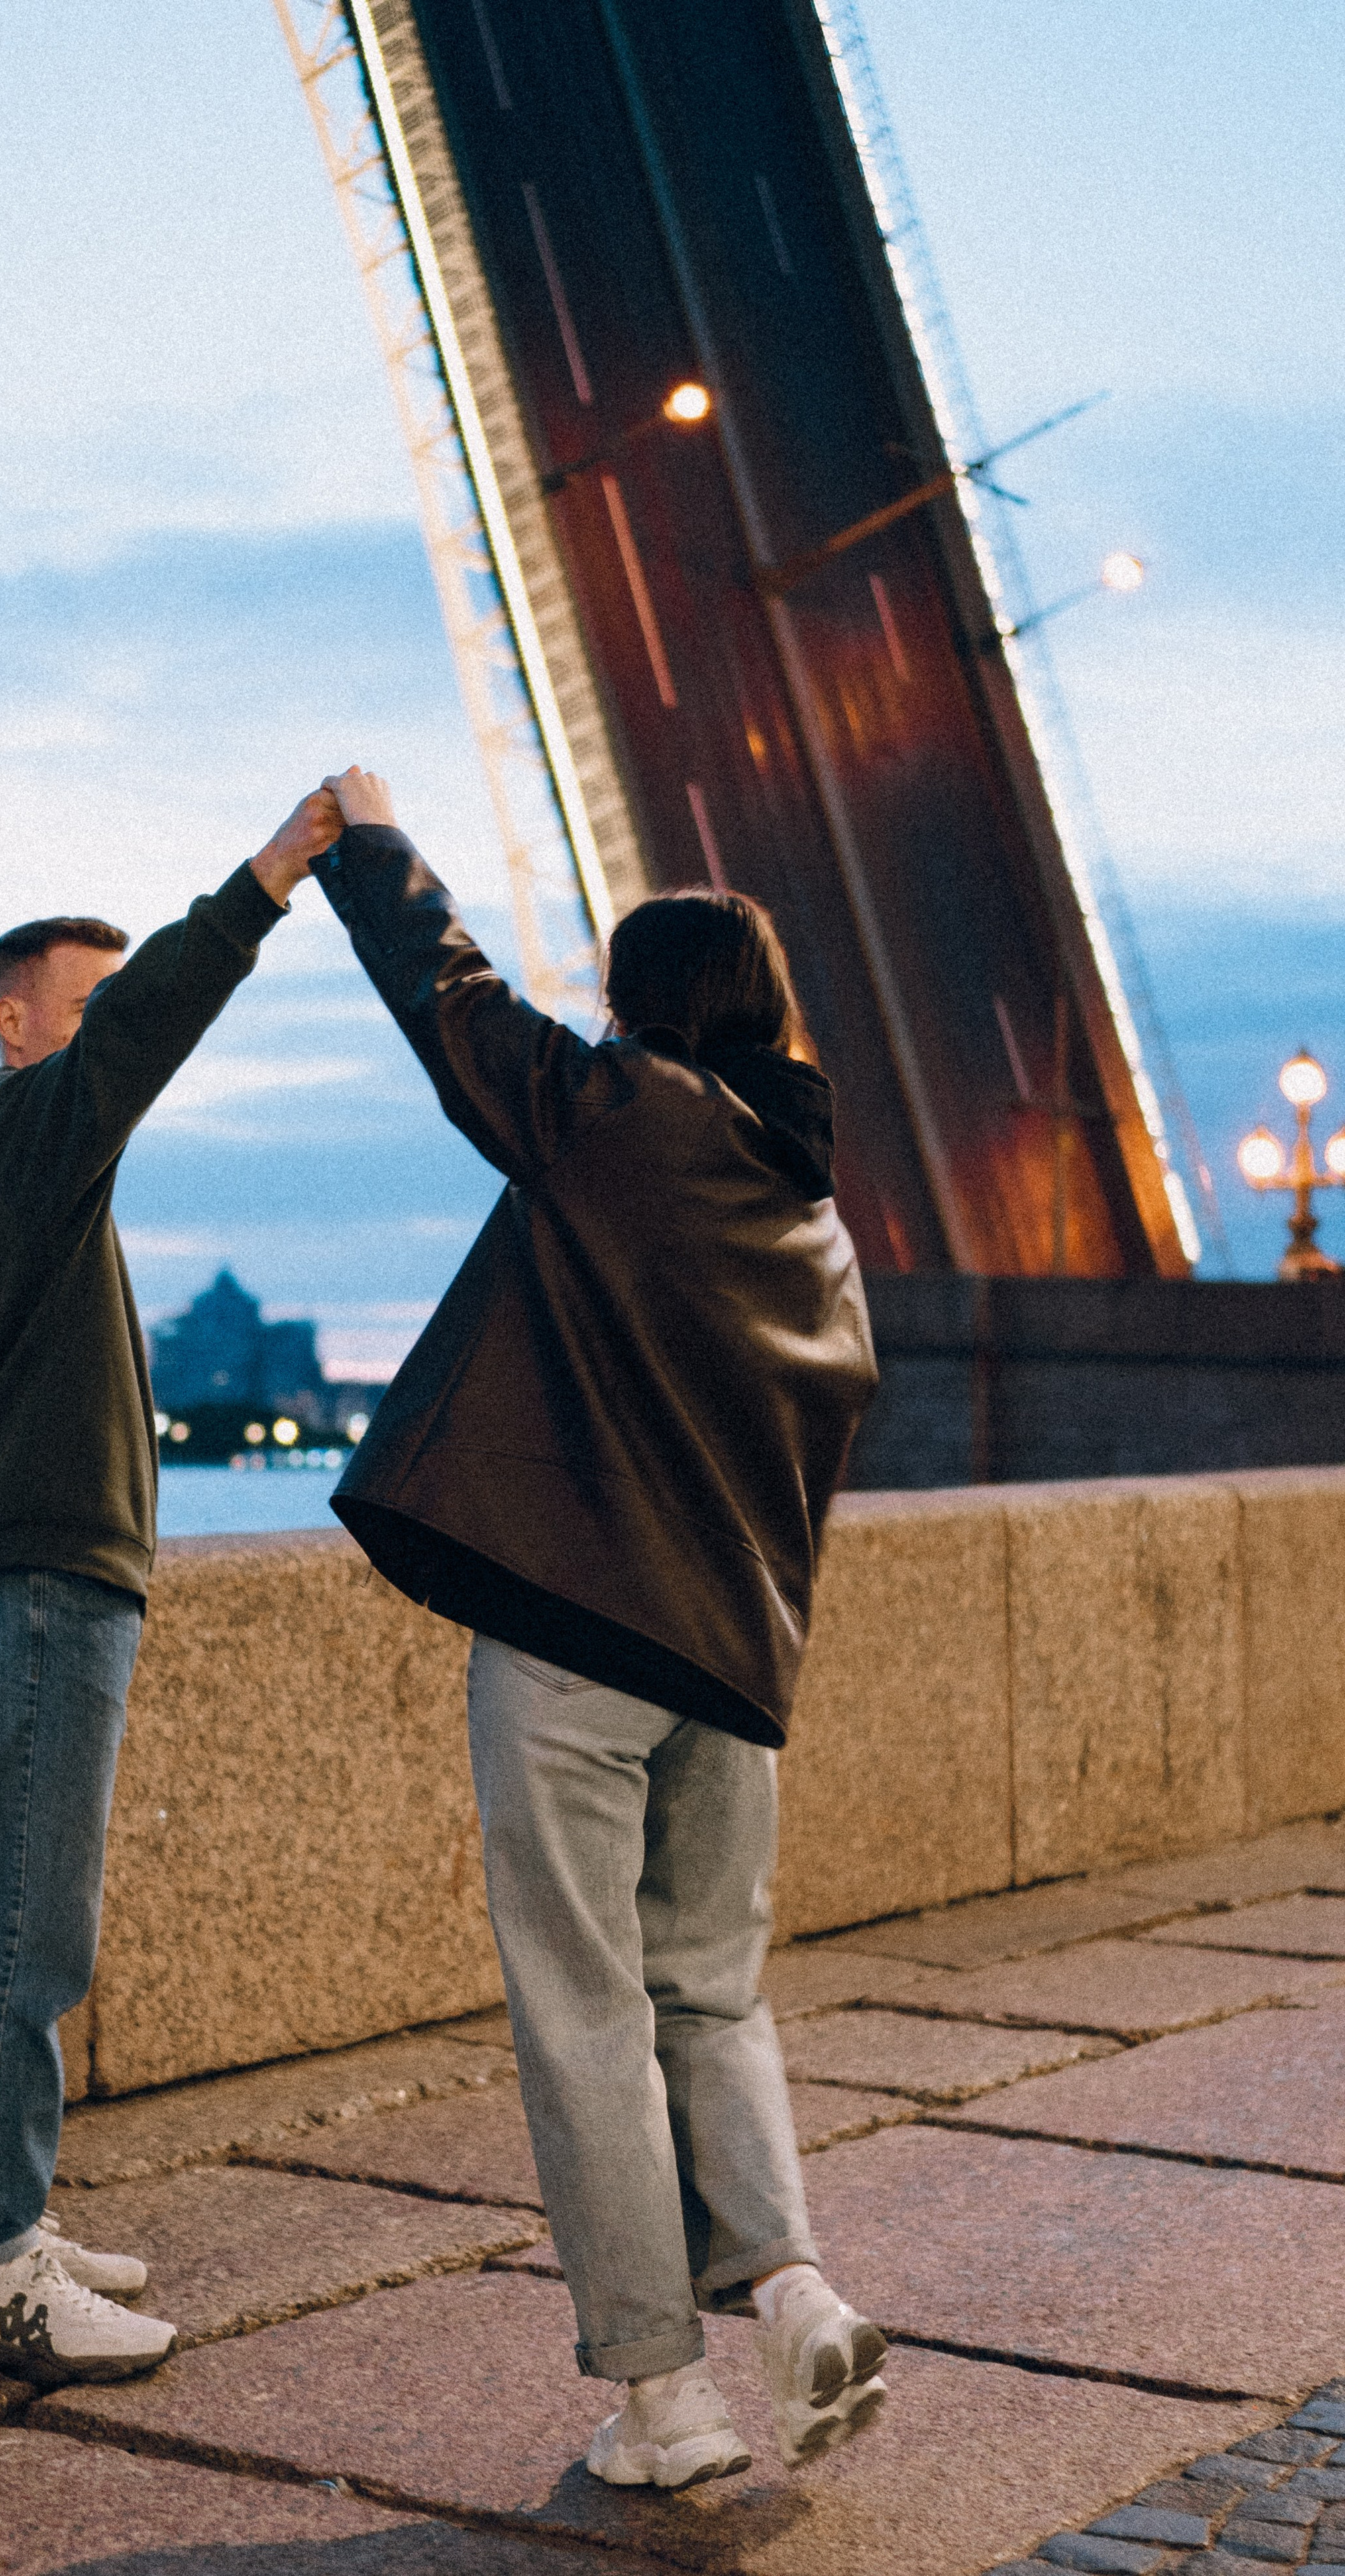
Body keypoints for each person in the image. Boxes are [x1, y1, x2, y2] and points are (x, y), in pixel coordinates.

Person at [312, 765, 883, 2487]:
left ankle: (666, 2399)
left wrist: (368, 840)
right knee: (710, 1999)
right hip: (727, 1665)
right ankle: (788, 2292)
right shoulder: (812, 1217)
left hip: (574, 1638)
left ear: (639, 1011)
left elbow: (453, 1006)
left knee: (584, 2015)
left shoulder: (624, 1114)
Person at [0, 788, 339, 2389]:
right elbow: (150, 1020)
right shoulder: (20, 1131)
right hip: (33, 1586)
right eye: (83, 1010)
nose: (109, 1043)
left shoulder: (9, 1162)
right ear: (20, 1025)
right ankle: (0, 2271)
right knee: (30, 1928)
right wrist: (270, 877)